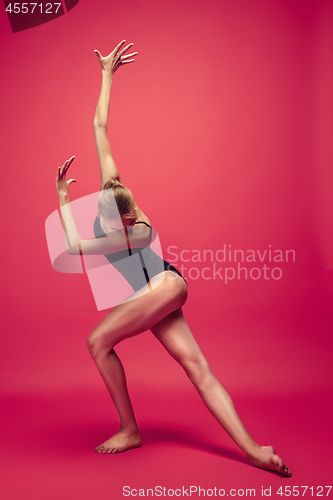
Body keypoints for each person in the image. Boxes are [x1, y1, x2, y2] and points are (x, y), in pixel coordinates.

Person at [55, 40, 291, 477]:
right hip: (165, 286)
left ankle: (129, 428)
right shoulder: (120, 192)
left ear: (123, 218)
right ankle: (256, 451)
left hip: (159, 286)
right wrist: (107, 75)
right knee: (198, 369)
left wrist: (61, 197)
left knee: (96, 342)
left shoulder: (127, 234)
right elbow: (99, 127)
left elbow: (72, 247)